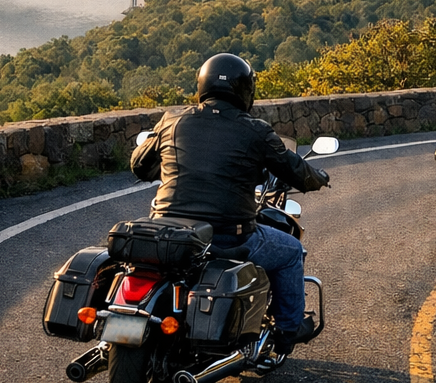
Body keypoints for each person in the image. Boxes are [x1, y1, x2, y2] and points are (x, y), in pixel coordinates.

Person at [130, 52, 329, 357]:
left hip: (168, 230)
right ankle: (288, 329)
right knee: (290, 251)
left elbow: (140, 167)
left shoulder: (172, 120)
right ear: (245, 90)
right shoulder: (255, 130)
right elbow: (296, 171)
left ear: (202, 84)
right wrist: (319, 177)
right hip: (227, 235)